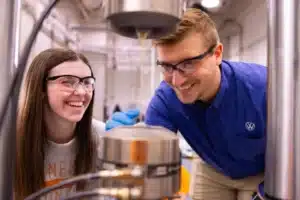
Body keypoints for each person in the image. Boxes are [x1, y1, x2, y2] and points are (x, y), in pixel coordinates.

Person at [105, 8, 266, 200]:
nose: (177, 81)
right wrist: (131, 144)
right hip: (212, 169)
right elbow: (152, 167)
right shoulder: (165, 99)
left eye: (188, 64)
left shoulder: (262, 88)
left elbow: (292, 152)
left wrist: (266, 194)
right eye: (167, 66)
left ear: (217, 54)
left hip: (261, 172)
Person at [14, 48, 105, 200]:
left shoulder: (102, 137)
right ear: (41, 88)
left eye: (87, 82)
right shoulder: (9, 142)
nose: (82, 92)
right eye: (68, 82)